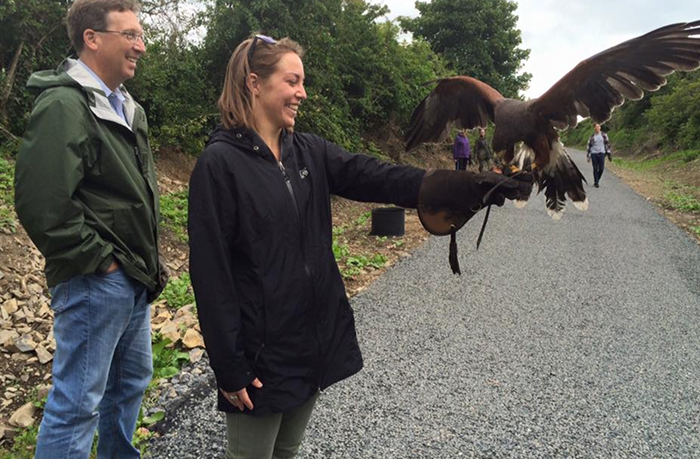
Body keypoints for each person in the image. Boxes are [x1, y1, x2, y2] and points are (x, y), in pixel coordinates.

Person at [187, 34, 533, 459]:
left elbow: (374, 175)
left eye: (303, 82)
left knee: (287, 452)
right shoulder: (219, 165)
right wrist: (228, 365)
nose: (303, 93)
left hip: (309, 341)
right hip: (259, 356)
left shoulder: (307, 151)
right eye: (292, 81)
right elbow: (210, 272)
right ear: (254, 83)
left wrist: (459, 185)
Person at [14, 0, 166, 458]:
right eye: (131, 34)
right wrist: (100, 262)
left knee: (129, 384)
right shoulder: (65, 104)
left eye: (142, 34)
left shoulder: (123, 105)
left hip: (131, 278)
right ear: (92, 38)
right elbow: (42, 202)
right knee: (77, 404)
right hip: (95, 281)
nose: (141, 45)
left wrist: (135, 268)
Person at [586, 123, 612, 188]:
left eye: (598, 126)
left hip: (601, 153)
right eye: (595, 127)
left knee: (601, 168)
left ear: (600, 127)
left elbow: (607, 145)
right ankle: (596, 182)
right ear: (594, 128)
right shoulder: (591, 137)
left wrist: (609, 154)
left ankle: (597, 178)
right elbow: (589, 146)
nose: (597, 128)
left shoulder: (604, 135)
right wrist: (588, 156)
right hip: (594, 153)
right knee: (595, 168)